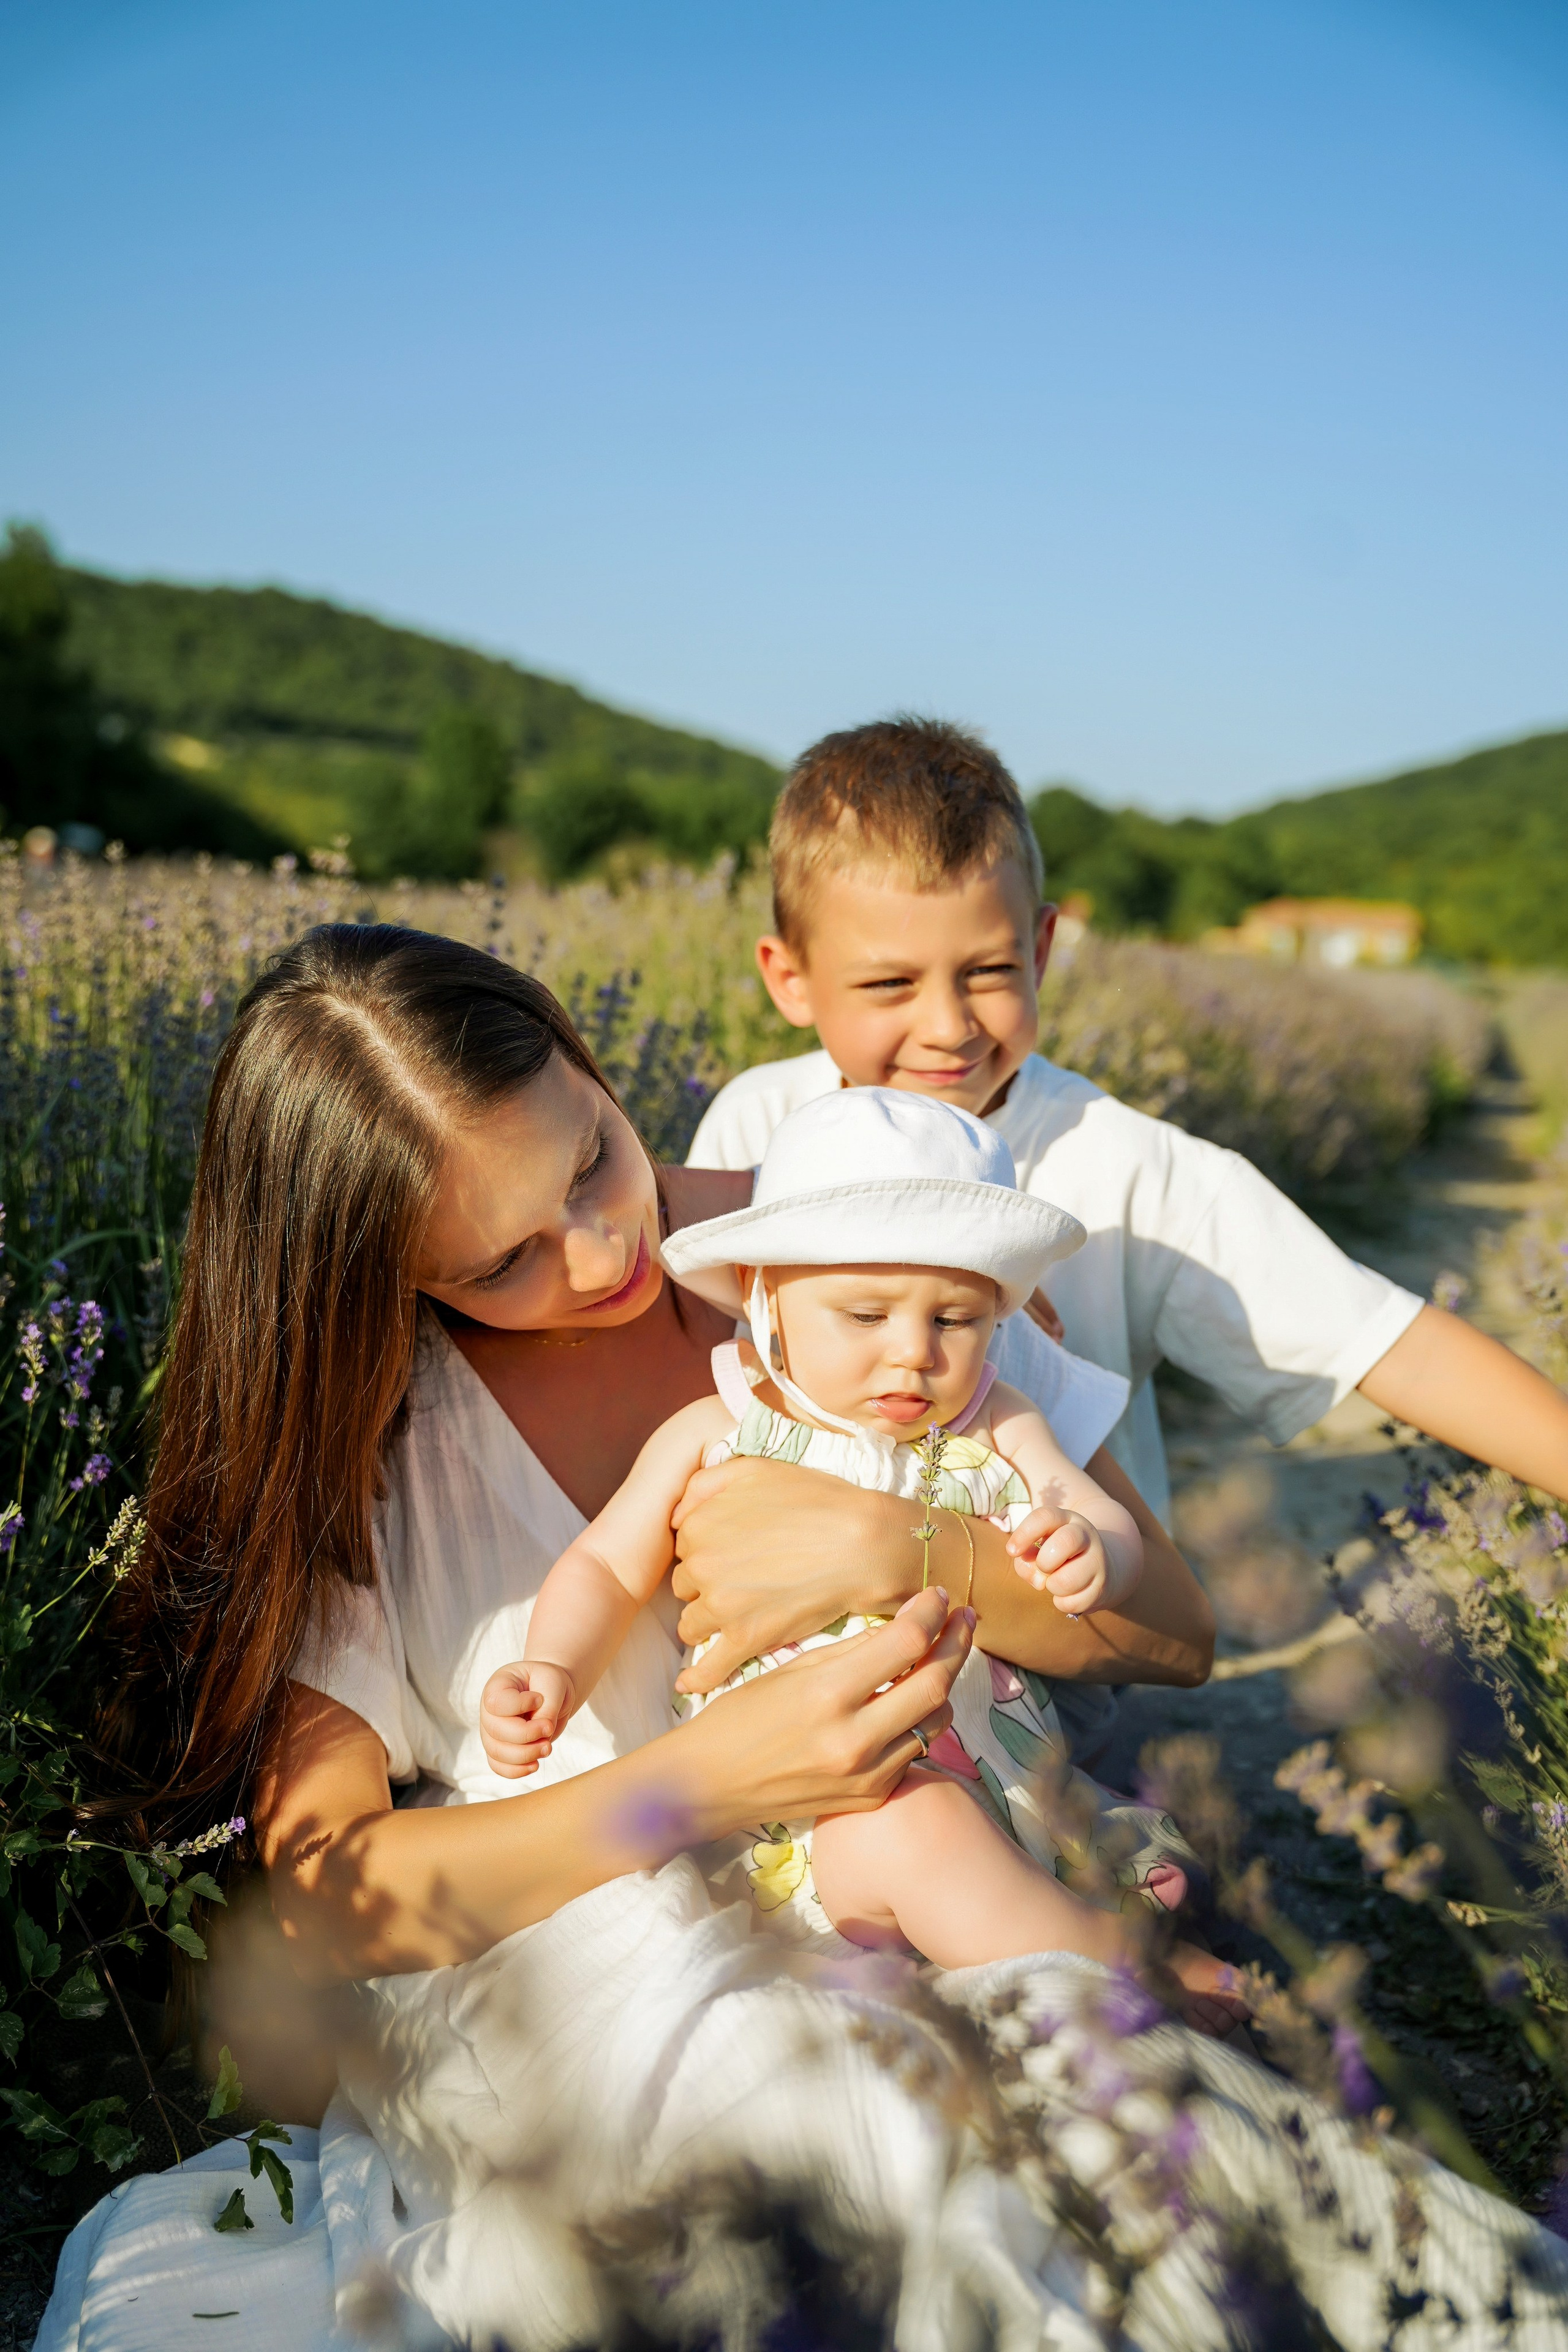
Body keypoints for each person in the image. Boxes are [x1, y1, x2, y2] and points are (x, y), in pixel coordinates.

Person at [72, 924, 1565, 2352]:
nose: (600, 1256)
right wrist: (695, 1786)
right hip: (596, 1962)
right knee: (850, 2193)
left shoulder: (860, 1231)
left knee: (1155, 2192)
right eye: (499, 1265)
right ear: (380, 1280)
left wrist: (903, 1543)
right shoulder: (370, 1444)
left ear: (585, 1060)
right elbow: (336, 1906)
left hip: (939, 1865)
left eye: (593, 1159)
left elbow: (1171, 1635)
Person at [687, 717, 1568, 1542]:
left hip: (1069, 1641)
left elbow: (1397, 1352)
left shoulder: (1130, 1167)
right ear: (789, 976)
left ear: (1042, 949)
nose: (949, 1025)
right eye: (890, 985)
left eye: (989, 971)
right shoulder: (758, 1123)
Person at [480, 1089, 1231, 2015]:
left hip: (995, 1766)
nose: (913, 1355)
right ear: (767, 1303)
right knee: (918, 1831)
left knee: (1014, 1842)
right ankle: (1133, 1979)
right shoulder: (714, 1432)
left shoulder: (997, 1417)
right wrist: (551, 1665)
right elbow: (604, 1564)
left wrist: (1092, 1548)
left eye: (954, 1321)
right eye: (866, 1317)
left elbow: (1078, 1499)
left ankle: (1064, 1931)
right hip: (822, 1812)